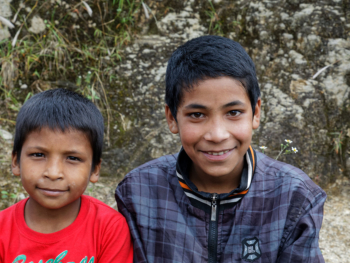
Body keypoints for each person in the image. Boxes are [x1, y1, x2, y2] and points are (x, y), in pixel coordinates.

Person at [115, 36, 326, 262]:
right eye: (197, 115)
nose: (217, 135)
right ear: (172, 118)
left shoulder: (294, 197)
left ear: (256, 112)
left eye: (233, 112)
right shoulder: (139, 193)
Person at [0, 89, 133, 263]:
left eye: (73, 158)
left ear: (95, 169)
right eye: (38, 155)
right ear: (16, 162)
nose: (53, 173)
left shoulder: (110, 228)